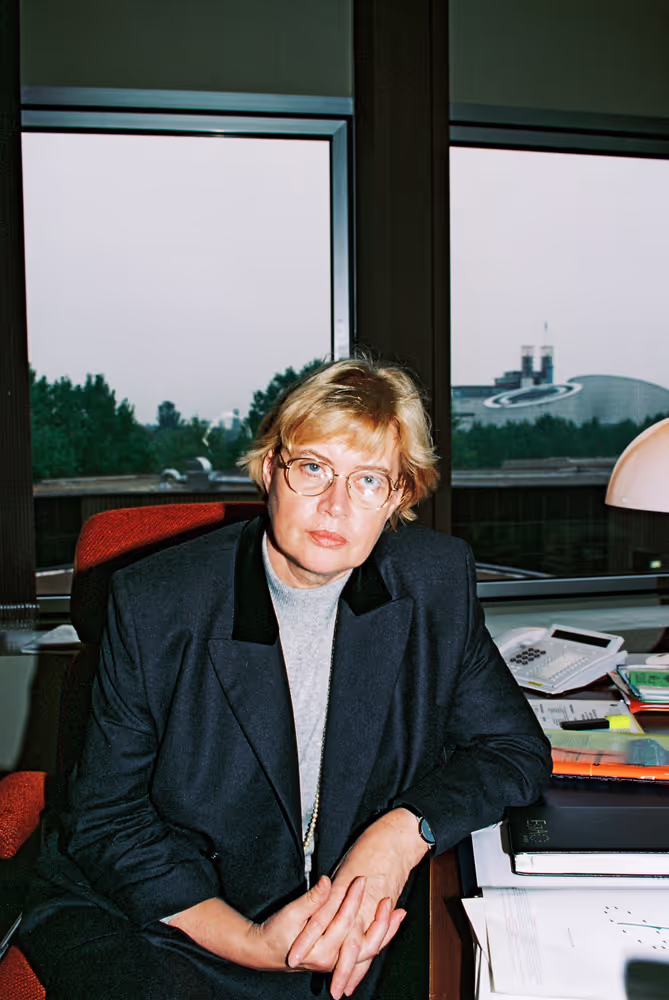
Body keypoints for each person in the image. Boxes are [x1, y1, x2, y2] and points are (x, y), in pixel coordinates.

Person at [20, 358, 551, 999]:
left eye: (368, 480)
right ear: (272, 469)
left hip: (359, 919)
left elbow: (513, 750)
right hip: (177, 918)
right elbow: (109, 821)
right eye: (313, 468)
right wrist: (253, 943)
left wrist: (399, 834)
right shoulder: (157, 603)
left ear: (398, 497)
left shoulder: (433, 584)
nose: (335, 506)